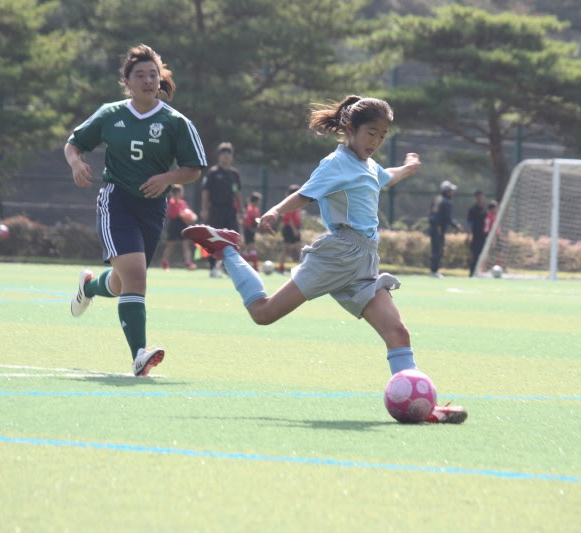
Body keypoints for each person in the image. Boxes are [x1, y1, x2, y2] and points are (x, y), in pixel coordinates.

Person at [183, 95, 467, 424]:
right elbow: (305, 194)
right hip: (338, 255)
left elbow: (385, 176)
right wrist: (275, 210)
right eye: (371, 133)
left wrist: (408, 167)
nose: (376, 141)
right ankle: (226, 249)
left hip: (364, 262)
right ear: (351, 128)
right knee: (263, 314)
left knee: (398, 334)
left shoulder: (369, 165)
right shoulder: (336, 163)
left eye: (383, 135)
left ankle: (423, 408)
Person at [63, 44, 207, 376]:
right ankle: (139, 356)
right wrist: (76, 163)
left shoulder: (176, 122)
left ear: (161, 79)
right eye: (139, 75)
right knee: (136, 277)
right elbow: (74, 144)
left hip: (154, 209)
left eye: (152, 75)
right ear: (127, 81)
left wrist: (167, 178)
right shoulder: (110, 114)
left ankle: (89, 286)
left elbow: (194, 168)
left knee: (120, 281)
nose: (147, 80)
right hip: (116, 200)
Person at [201, 142, 243, 278]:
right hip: (215, 209)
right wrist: (204, 209)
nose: (226, 157)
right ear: (219, 156)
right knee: (214, 238)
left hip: (230, 210)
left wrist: (241, 210)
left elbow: (237, 193)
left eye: (228, 154)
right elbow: (206, 192)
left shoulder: (234, 174)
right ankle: (213, 267)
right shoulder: (213, 173)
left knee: (232, 238)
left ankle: (228, 267)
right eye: (223, 154)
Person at [427, 180, 462, 278]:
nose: (452, 193)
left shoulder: (437, 199)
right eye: (451, 191)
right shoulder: (446, 202)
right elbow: (447, 218)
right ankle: (434, 271)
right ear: (447, 191)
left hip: (434, 228)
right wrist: (456, 225)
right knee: (437, 250)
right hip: (438, 230)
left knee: (436, 249)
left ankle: (434, 270)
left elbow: (431, 214)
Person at [161, 184, 197, 271]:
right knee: (170, 245)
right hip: (174, 224)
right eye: (181, 192)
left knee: (186, 244)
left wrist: (192, 217)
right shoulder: (171, 202)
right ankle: (165, 262)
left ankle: (188, 263)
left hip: (182, 225)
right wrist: (185, 215)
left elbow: (190, 214)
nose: (182, 194)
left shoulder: (183, 203)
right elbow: (177, 214)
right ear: (176, 193)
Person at [278, 184, 303, 275]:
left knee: (299, 248)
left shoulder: (297, 203)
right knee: (286, 249)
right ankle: (281, 268)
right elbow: (288, 219)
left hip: (294, 228)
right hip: (289, 229)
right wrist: (294, 230)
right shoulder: (290, 203)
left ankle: (302, 268)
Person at [466, 190, 487, 276]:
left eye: (481, 196)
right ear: (476, 198)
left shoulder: (486, 210)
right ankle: (472, 273)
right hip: (476, 236)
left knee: (484, 256)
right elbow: (469, 223)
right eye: (478, 197)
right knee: (475, 256)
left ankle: (480, 273)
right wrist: (469, 235)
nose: (480, 198)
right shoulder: (473, 210)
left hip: (484, 236)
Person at [243, 191, 262, 270]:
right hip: (249, 231)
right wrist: (251, 229)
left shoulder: (256, 209)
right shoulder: (250, 209)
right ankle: (255, 267)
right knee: (253, 248)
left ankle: (242, 266)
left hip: (252, 231)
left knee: (248, 249)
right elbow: (247, 221)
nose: (259, 202)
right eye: (258, 200)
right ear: (255, 201)